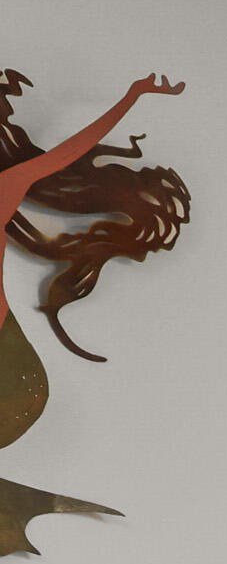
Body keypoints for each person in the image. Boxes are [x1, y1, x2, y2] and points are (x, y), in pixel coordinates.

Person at [0, 73, 182, 449]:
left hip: (5, 346)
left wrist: (132, 96)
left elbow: (66, 154)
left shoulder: (5, 188)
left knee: (23, 402)